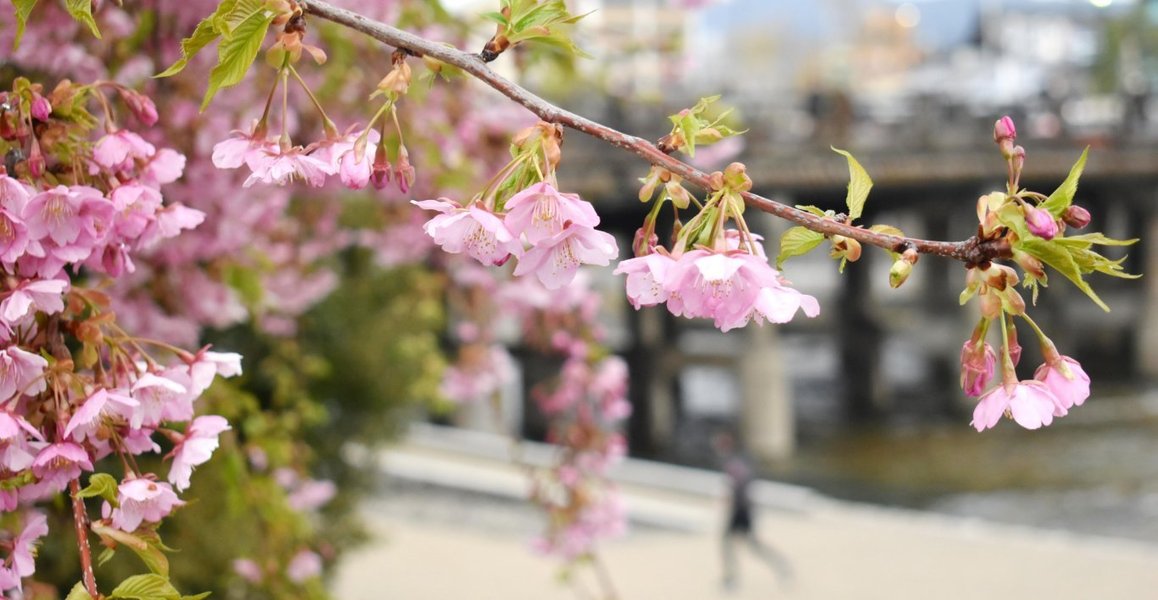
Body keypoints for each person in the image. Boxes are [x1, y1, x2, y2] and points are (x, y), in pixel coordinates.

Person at [714, 431, 794, 591]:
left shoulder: (734, 462)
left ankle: (780, 566)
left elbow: (741, 486)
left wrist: (735, 502)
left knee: (749, 545)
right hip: (742, 509)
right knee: (729, 543)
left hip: (742, 510)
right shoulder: (735, 460)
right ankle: (731, 578)